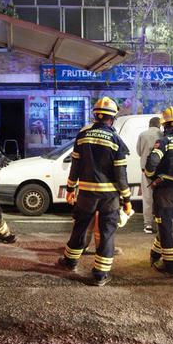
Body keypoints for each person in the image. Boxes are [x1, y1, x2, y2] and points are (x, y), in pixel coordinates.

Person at [56, 97, 132, 287]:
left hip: (87, 193)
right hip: (109, 197)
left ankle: (70, 261)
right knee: (106, 232)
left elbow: (75, 165)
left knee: (80, 226)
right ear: (112, 118)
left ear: (95, 115)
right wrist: (127, 199)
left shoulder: (83, 135)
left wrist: (71, 188)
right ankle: (100, 274)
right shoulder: (116, 140)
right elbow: (121, 174)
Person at [143, 107, 173, 275]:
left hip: (164, 190)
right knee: (167, 226)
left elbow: (151, 164)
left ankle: (170, 264)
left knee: (164, 226)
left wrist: (151, 177)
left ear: (164, 126)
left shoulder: (164, 142)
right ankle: (156, 252)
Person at [136, 116, 162, 233]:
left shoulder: (143, 135)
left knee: (147, 198)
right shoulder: (162, 135)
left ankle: (148, 225)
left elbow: (138, 151)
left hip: (146, 171)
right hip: (160, 171)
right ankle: (161, 222)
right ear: (159, 125)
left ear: (149, 124)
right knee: (161, 197)